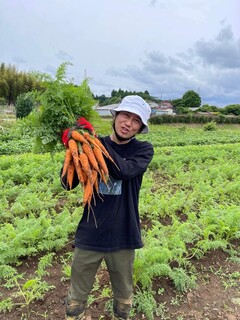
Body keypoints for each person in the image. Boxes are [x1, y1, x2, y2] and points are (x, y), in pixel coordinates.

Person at [61, 95, 154, 320]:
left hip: (124, 234)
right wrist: (74, 150)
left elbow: (123, 171)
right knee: (76, 298)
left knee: (123, 298)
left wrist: (93, 142)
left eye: (135, 120)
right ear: (115, 116)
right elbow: (67, 183)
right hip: (90, 232)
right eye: (125, 115)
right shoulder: (90, 144)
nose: (128, 123)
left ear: (140, 127)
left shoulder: (142, 151)